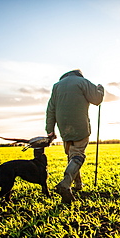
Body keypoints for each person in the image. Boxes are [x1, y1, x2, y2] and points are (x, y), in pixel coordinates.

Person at [46, 69, 104, 203]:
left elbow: (51, 108)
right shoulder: (82, 82)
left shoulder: (57, 86)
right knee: (78, 154)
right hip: (79, 124)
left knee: (71, 155)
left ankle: (77, 185)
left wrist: (50, 129)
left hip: (63, 126)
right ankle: (65, 184)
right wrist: (100, 89)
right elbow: (97, 99)